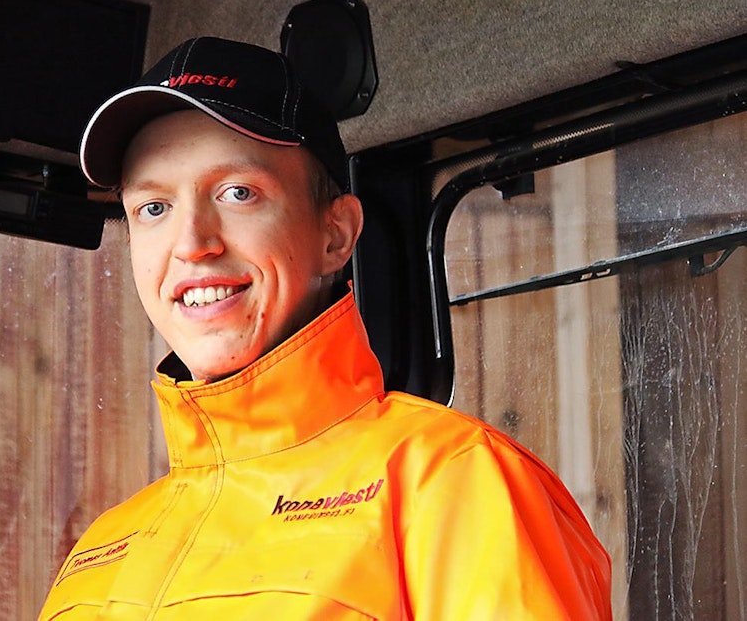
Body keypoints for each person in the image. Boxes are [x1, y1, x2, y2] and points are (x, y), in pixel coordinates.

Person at [38, 36, 612, 619]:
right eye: (154, 208)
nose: (191, 244)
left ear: (336, 235)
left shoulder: (456, 482)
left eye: (238, 193)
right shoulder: (99, 554)